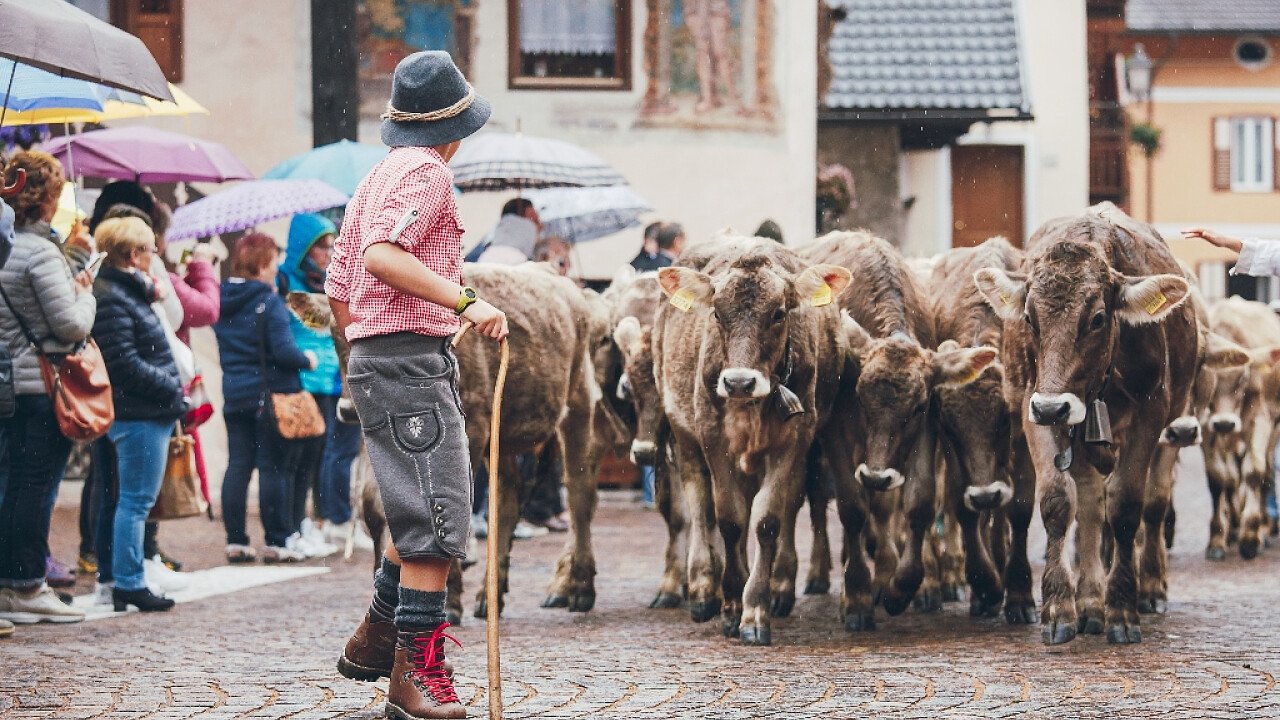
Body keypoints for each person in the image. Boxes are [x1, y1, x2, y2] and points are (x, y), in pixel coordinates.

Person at [327, 51, 506, 720]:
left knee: (415, 508)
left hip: (383, 359)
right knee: (438, 516)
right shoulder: (427, 174)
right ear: (455, 125)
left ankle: (380, 636)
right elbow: (380, 257)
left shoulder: (377, 176)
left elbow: (341, 286)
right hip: (406, 363)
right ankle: (416, 675)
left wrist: (365, 351)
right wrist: (464, 303)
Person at [0, 150, 94, 625]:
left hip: (8, 382)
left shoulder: (7, 245)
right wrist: (85, 291)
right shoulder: (38, 252)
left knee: (12, 484)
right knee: (35, 488)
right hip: (39, 384)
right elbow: (70, 324)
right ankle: (25, 584)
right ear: (46, 198)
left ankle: (10, 583)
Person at [90, 217, 186, 612]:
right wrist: (170, 385)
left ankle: (116, 579)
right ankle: (128, 582)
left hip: (140, 410)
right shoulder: (114, 296)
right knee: (134, 501)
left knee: (120, 499)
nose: (154, 255)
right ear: (132, 254)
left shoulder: (127, 292)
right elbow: (124, 362)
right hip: (139, 413)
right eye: (149, 249)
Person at [215, 233, 317, 564]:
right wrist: (308, 359)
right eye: (273, 261)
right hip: (269, 398)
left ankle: (236, 541)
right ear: (261, 265)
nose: (277, 268)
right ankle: (277, 541)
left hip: (235, 395)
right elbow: (285, 352)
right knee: (274, 468)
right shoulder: (269, 303)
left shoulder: (221, 298)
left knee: (239, 465)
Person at [278, 213, 351, 557]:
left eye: (332, 243)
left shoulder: (332, 281)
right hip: (304, 378)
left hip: (333, 379)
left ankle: (319, 521)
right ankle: (303, 522)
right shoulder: (285, 280)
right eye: (322, 246)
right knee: (304, 456)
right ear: (304, 250)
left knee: (326, 452)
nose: (330, 251)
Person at [465, 198, 540, 264]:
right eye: (532, 211)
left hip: (487, 258)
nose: (536, 214)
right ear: (526, 211)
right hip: (515, 261)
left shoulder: (502, 224)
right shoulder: (528, 226)